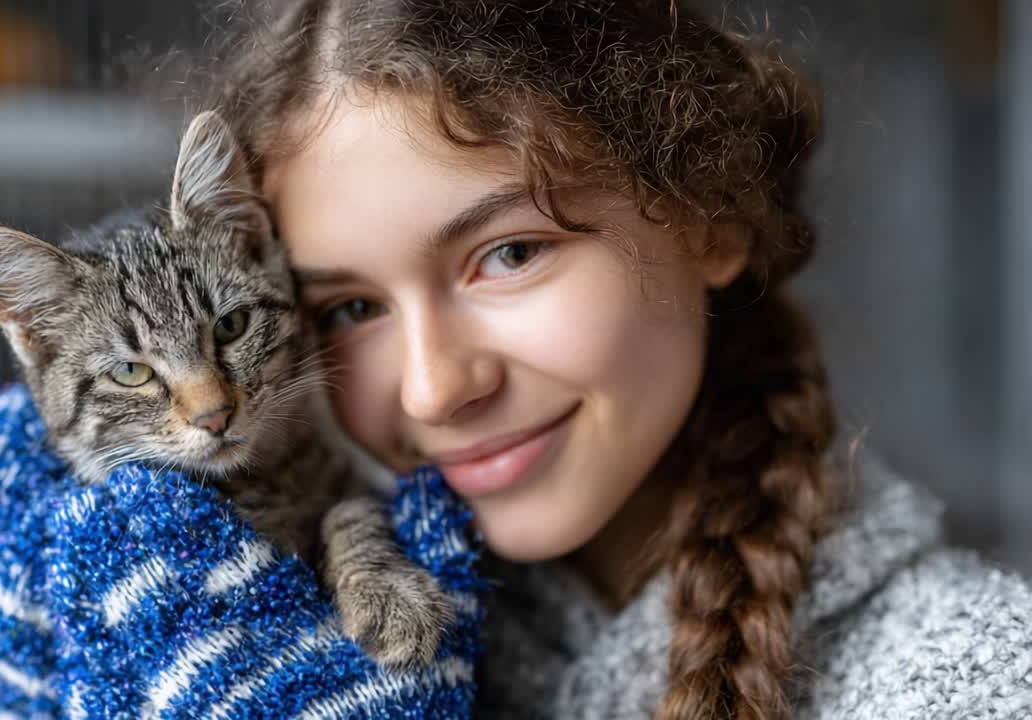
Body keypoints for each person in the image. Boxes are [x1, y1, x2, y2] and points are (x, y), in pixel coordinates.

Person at [203, 1, 1032, 717]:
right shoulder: (278, 650)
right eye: (350, 309)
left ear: (711, 213)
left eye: (512, 253)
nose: (432, 390)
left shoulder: (980, 681)